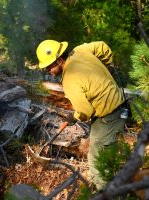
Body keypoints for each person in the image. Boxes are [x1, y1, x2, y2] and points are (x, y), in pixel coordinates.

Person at [36, 40, 126, 190]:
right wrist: (108, 67)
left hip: (108, 116)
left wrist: (73, 118)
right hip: (119, 104)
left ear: (59, 60)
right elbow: (103, 46)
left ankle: (105, 193)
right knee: (110, 153)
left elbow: (85, 111)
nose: (47, 70)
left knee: (97, 159)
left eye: (49, 66)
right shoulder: (79, 51)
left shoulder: (70, 79)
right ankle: (116, 183)